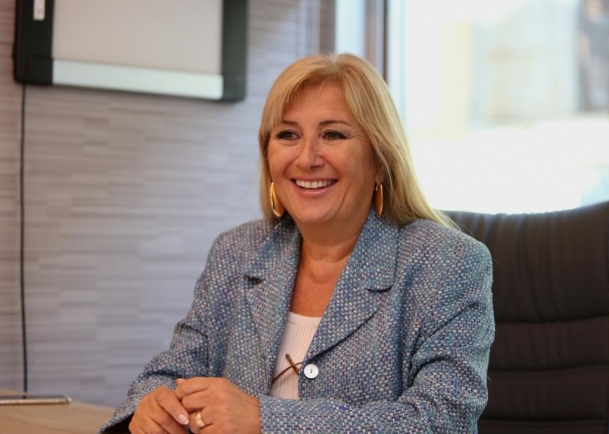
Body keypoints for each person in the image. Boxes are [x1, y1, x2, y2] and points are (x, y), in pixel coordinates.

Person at [99, 53, 494, 434]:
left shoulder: (448, 262)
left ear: (380, 160)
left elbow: (445, 420)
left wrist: (266, 421)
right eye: (288, 135)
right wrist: (152, 405)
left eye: (333, 134)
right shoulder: (236, 252)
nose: (306, 158)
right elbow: (173, 371)